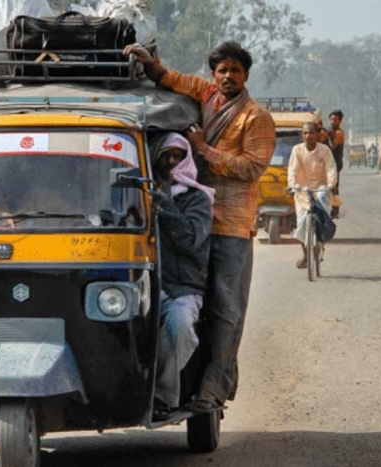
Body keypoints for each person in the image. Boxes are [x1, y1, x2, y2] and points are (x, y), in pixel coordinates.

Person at [124, 41, 276, 411]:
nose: (227, 77)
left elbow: (252, 168)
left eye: (234, 71)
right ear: (213, 74)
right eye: (221, 70)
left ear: (246, 76)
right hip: (190, 212)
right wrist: (150, 64)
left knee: (225, 308)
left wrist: (203, 150)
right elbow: (173, 80)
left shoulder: (256, 117)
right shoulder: (206, 94)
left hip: (229, 224)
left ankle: (213, 388)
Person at [149, 133, 213, 416]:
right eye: (167, 156)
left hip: (182, 289)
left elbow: (189, 239)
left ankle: (160, 396)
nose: (172, 162)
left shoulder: (197, 199)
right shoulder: (142, 194)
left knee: (180, 327)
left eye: (178, 156)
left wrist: (165, 205)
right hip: (144, 286)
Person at [287, 122, 337, 268]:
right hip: (302, 191)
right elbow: (292, 170)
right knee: (301, 223)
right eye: (305, 133)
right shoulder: (297, 150)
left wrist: (331, 184)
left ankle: (320, 240)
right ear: (302, 135)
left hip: (321, 189)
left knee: (322, 212)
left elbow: (331, 169)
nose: (308, 136)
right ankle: (305, 255)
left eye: (311, 133)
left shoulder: (325, 150)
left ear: (317, 134)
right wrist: (292, 185)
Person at [328, 110, 345, 219]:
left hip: (335, 164)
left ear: (340, 121)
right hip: (328, 163)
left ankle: (335, 211)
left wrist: (325, 138)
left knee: (334, 187)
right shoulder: (330, 131)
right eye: (331, 119)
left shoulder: (339, 133)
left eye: (335, 120)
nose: (333, 122)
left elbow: (332, 147)